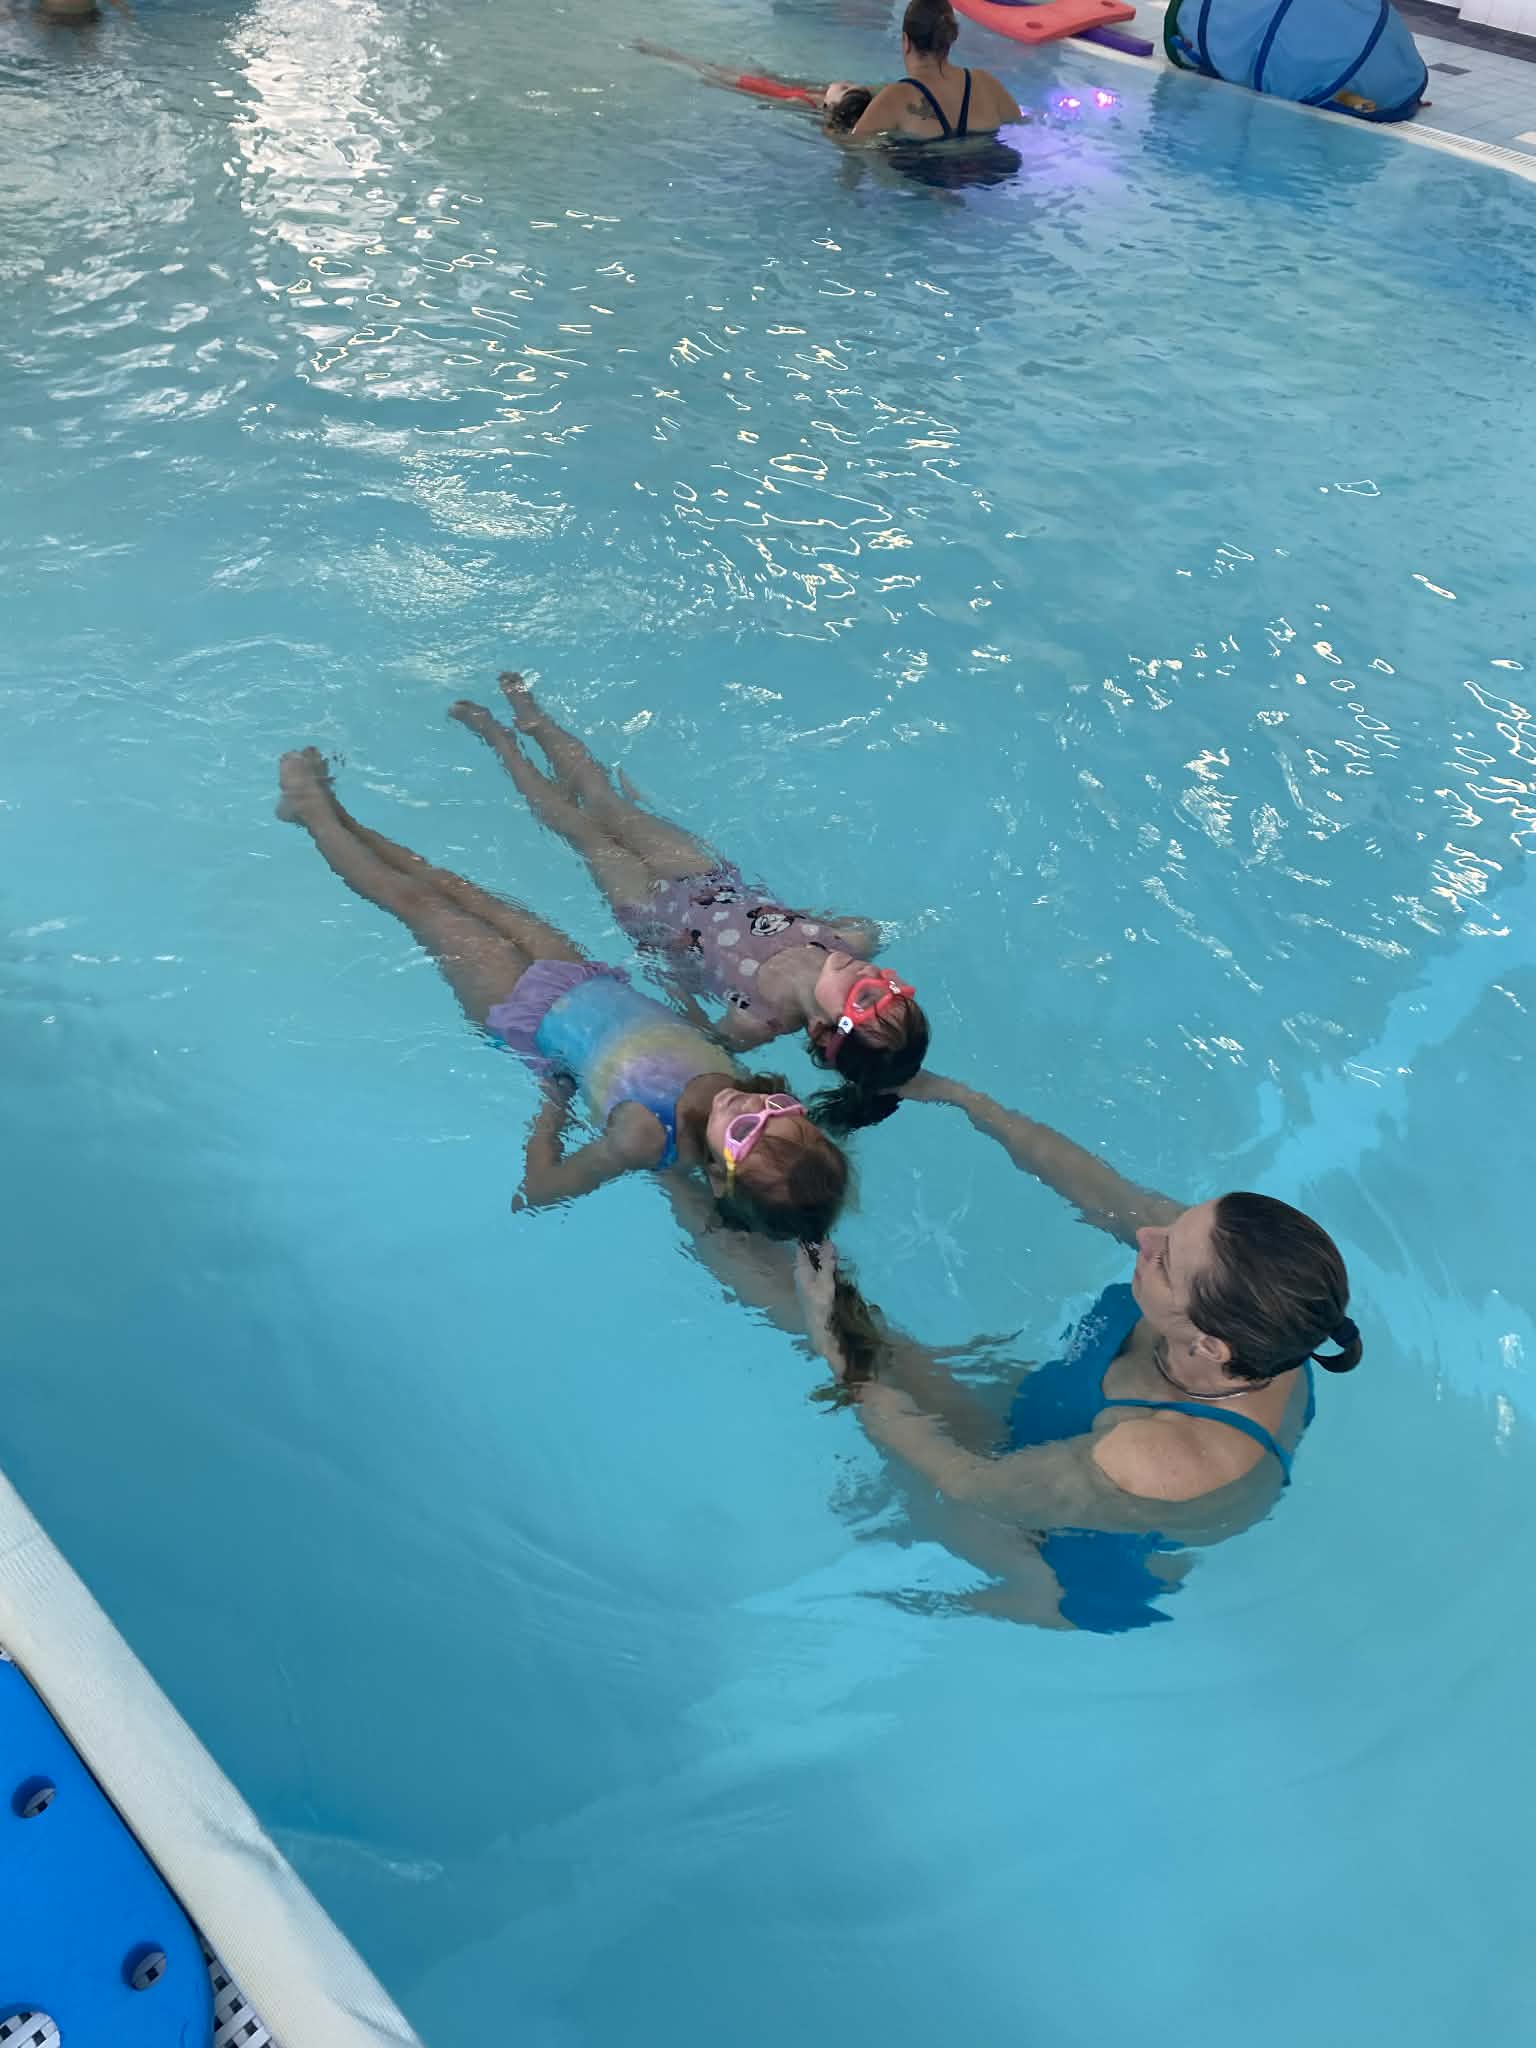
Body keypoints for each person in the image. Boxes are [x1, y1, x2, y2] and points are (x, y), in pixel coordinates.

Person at [793, 1069, 1362, 1630]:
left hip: (1059, 1554)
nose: (1149, 1236)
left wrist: (833, 1346)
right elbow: (1108, 1196)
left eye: (1165, 1260)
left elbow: (964, 1482)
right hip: (1069, 1431)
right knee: (869, 1334)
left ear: (1210, 1344)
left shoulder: (1155, 1458)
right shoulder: (1254, 1300)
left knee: (832, 1330)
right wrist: (961, 1098)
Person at [275, 746, 857, 1261]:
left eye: (746, 1131)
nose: (751, 1107)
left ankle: (313, 812)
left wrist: (553, 1102)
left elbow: (539, 1191)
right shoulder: (739, 1086)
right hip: (583, 976)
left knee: (418, 904)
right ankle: (333, 818)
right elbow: (681, 1039)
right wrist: (682, 987)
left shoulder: (644, 1139)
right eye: (780, 1111)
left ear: (719, 1178)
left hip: (525, 1011)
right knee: (453, 886)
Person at [449, 675, 928, 1133]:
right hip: (704, 877)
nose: (872, 977)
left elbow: (692, 1033)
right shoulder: (850, 940)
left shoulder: (758, 1021)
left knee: (580, 830)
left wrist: (671, 972)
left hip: (650, 913)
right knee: (608, 802)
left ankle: (499, 741)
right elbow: (849, 928)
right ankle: (534, 718)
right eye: (892, 985)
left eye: (866, 997)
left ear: (823, 1030)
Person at [851, 0, 1021, 144]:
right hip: (989, 167)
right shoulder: (986, 84)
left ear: (906, 41)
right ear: (951, 37)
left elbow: (854, 148)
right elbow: (1021, 123)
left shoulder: (894, 98)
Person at [632, 41, 875, 135]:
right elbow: (789, 85)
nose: (845, 81)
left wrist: (721, 87)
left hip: (753, 86)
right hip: (766, 83)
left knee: (702, 68)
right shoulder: (821, 97)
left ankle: (662, 53)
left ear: (831, 105)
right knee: (710, 66)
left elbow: (768, 100)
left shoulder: (805, 103)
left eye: (844, 87)